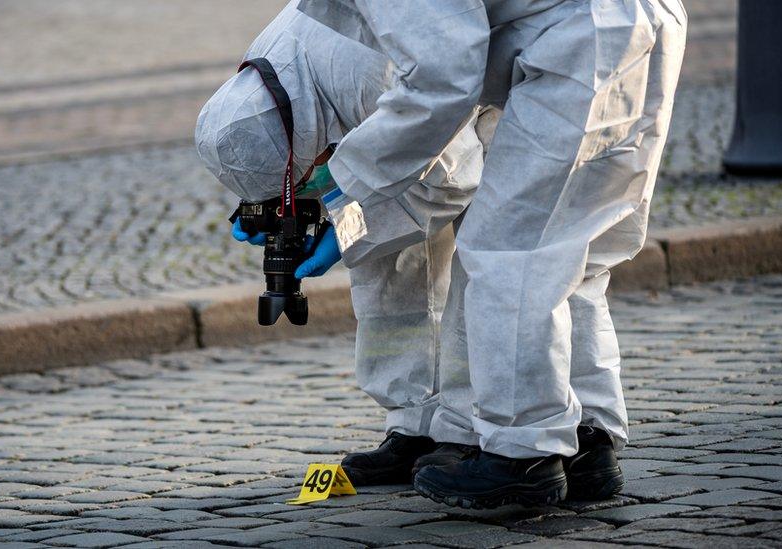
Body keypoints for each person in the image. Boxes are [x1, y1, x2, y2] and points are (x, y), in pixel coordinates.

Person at [197, 0, 687, 508]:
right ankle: (582, 440)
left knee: (511, 256)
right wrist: (342, 200)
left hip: (580, 48)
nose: (306, 194)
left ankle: (525, 456)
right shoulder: (294, 63)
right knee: (566, 257)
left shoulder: (355, 73)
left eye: (299, 185)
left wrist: (345, 203)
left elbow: (448, 164)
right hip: (612, 29)